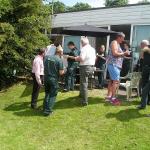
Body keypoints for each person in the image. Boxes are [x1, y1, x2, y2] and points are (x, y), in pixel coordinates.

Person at [106, 32, 130, 105]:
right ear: (119, 37)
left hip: (116, 65)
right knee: (116, 81)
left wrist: (125, 55)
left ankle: (109, 96)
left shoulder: (118, 44)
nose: (123, 40)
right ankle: (113, 98)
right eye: (123, 38)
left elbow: (119, 55)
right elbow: (114, 53)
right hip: (114, 64)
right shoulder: (114, 42)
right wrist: (124, 53)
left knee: (112, 81)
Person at [43, 45, 64, 116]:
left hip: (46, 78)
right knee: (53, 95)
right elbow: (61, 73)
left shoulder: (47, 57)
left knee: (47, 93)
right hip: (53, 79)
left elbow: (44, 66)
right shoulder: (59, 60)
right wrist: (65, 70)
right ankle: (48, 111)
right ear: (60, 52)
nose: (62, 54)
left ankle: (45, 108)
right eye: (62, 52)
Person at [75, 37, 96, 106]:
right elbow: (95, 58)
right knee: (83, 82)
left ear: (82, 43)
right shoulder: (93, 49)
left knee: (84, 83)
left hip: (85, 67)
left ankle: (85, 101)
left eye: (81, 43)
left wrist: (76, 58)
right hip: (91, 67)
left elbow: (82, 59)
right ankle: (81, 95)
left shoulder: (83, 49)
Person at [137, 40, 150, 109]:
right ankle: (143, 104)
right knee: (144, 87)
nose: (141, 46)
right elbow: (141, 58)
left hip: (147, 68)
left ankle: (145, 103)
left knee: (145, 88)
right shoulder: (144, 50)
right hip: (145, 69)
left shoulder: (146, 48)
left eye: (141, 44)